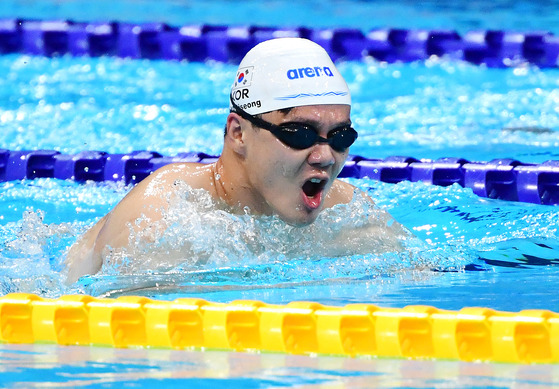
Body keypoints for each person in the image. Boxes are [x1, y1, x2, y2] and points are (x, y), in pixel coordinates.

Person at [65, 37, 408, 283]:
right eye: (300, 134)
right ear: (238, 133)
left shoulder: (348, 213)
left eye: (340, 137)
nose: (324, 156)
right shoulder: (163, 218)